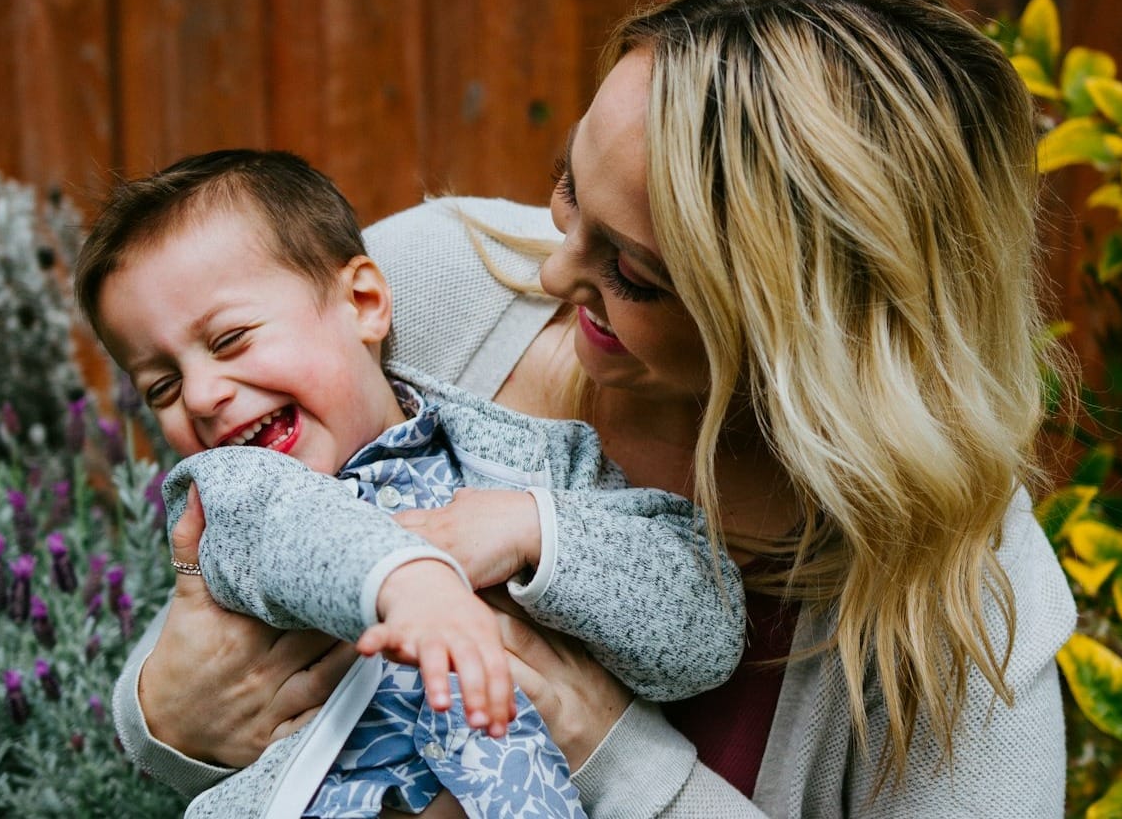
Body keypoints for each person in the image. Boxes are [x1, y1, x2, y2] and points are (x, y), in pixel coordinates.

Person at [113, 0, 1078, 815]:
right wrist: (167, 712)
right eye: (568, 185)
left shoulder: (966, 611)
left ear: (814, 333)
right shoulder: (434, 284)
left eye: (637, 275)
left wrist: (605, 747)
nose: (553, 273)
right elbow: (239, 590)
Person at [78, 149, 744, 817]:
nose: (200, 395)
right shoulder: (232, 499)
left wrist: (534, 529)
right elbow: (294, 531)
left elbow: (700, 634)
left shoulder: (532, 463)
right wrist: (406, 580)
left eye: (229, 341)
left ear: (364, 302)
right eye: (160, 386)